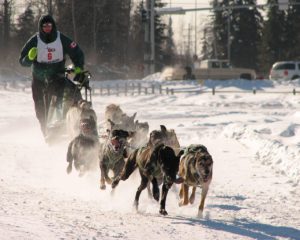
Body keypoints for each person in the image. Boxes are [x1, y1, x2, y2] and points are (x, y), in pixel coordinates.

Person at [19, 14, 85, 137]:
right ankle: (46, 133)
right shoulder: (35, 40)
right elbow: (22, 61)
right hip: (38, 79)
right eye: (44, 26)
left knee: (57, 102)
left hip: (57, 77)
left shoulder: (62, 39)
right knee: (40, 110)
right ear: (41, 27)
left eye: (49, 25)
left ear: (53, 26)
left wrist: (79, 68)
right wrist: (29, 58)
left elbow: (77, 52)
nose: (47, 28)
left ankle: (60, 127)